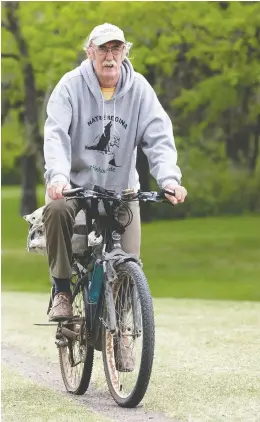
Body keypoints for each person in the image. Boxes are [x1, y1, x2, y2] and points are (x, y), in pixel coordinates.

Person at [43, 22, 187, 323]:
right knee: (56, 209)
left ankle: (121, 331)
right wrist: (58, 177)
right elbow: (56, 135)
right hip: (76, 188)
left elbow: (158, 138)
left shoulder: (140, 91)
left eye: (116, 49)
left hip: (122, 191)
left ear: (124, 52)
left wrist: (169, 179)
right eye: (103, 49)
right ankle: (61, 291)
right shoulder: (70, 86)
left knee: (130, 264)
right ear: (90, 52)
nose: (110, 56)